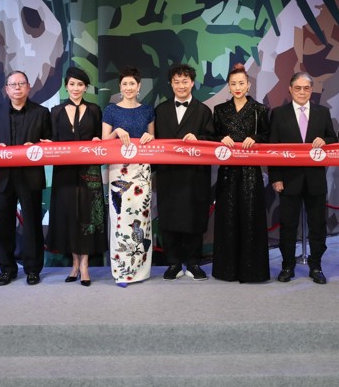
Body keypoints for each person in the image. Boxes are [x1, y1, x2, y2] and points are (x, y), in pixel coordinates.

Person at [0, 70, 52, 286]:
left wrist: (39, 146)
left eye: (22, 83)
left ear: (29, 87)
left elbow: (50, 140)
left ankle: (33, 269)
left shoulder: (41, 112)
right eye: (13, 84)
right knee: (3, 225)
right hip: (4, 176)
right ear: (7, 89)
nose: (17, 87)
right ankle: (7, 268)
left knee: (31, 225)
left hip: (30, 176)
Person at [269, 72, 338, 284]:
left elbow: (334, 140)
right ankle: (287, 265)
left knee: (318, 225)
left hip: (315, 179)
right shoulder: (279, 114)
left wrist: (324, 140)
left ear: (311, 90)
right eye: (297, 88)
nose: (301, 92)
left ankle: (316, 265)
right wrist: (275, 177)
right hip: (288, 180)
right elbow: (273, 147)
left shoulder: (322, 113)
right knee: (288, 225)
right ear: (290, 89)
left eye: (306, 88)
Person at [153, 64, 214, 281]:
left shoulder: (204, 111)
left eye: (185, 81)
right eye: (176, 81)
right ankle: (173, 263)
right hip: (168, 175)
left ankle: (194, 263)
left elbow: (213, 142)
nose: (181, 85)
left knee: (194, 220)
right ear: (170, 84)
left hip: (195, 176)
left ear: (192, 83)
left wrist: (199, 140)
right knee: (168, 220)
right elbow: (153, 142)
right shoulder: (160, 110)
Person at [211, 64, 271, 283]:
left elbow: (269, 136)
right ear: (228, 86)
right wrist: (220, 139)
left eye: (241, 83)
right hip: (227, 173)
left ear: (249, 85)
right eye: (233, 84)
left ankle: (252, 271)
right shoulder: (219, 110)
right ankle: (227, 270)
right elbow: (209, 137)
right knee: (227, 219)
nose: (237, 87)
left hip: (250, 174)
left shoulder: (260, 110)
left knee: (250, 219)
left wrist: (256, 138)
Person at [47, 67, 106, 287]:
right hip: (64, 171)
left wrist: (98, 141)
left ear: (86, 88)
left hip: (89, 171)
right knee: (70, 215)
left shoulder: (94, 110)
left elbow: (100, 137)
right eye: (72, 84)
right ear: (66, 86)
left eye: (80, 84)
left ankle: (85, 266)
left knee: (87, 217)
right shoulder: (55, 111)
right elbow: (53, 139)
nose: (76, 88)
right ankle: (74, 263)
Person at [102, 66, 155, 287]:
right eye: (124, 84)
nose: (128, 87)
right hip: (118, 172)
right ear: (120, 87)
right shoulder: (111, 110)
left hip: (141, 171)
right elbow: (105, 142)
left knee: (141, 219)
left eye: (132, 83)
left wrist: (148, 137)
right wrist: (117, 132)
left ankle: (141, 270)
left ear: (139, 86)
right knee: (120, 219)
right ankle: (121, 271)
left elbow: (154, 138)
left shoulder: (147, 110)